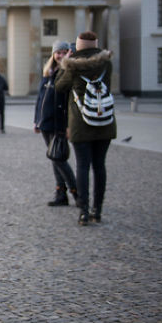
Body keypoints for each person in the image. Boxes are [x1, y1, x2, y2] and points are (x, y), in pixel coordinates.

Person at [55, 31, 117, 226]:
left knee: (83, 166)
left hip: (81, 123)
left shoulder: (72, 65)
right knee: (100, 166)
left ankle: (83, 210)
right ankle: (97, 210)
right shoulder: (106, 63)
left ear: (78, 47)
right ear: (96, 44)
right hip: (104, 121)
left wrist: (67, 64)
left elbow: (59, 87)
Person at [34, 41, 77, 207]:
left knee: (59, 159)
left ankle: (76, 192)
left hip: (59, 123)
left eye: (64, 52)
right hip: (45, 122)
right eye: (57, 53)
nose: (60, 55)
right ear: (53, 55)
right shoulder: (48, 73)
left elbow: (69, 103)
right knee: (54, 158)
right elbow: (40, 99)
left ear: (69, 53)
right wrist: (36, 120)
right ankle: (61, 193)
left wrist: (68, 126)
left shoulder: (67, 73)